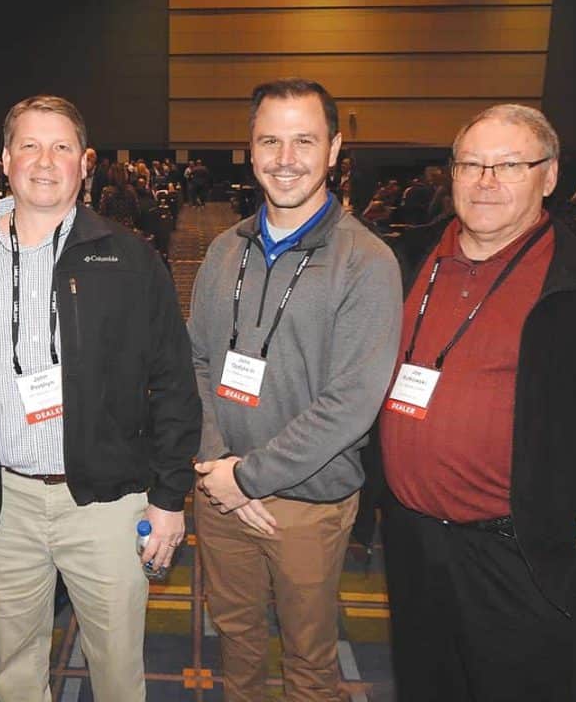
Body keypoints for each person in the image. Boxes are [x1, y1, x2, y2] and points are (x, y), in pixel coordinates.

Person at [0, 95, 201, 702]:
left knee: (117, 668)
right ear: (4, 160)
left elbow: (172, 382)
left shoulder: (130, 259)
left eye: (61, 147)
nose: (45, 160)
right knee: (16, 668)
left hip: (108, 506)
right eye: (30, 145)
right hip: (3, 502)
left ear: (85, 164)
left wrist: (168, 497)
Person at [378, 104, 576, 701]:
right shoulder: (406, 260)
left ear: (549, 176)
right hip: (413, 543)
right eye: (471, 164)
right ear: (450, 173)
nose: (485, 182)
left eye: (508, 165)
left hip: (522, 556)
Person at [190, 78, 402, 701]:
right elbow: (196, 362)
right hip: (219, 489)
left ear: (334, 149)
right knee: (237, 642)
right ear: (251, 151)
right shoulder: (224, 251)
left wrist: (249, 476)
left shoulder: (365, 261)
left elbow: (352, 406)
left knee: (310, 661)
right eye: (271, 141)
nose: (286, 159)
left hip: (306, 506)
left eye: (304, 141)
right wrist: (217, 467)